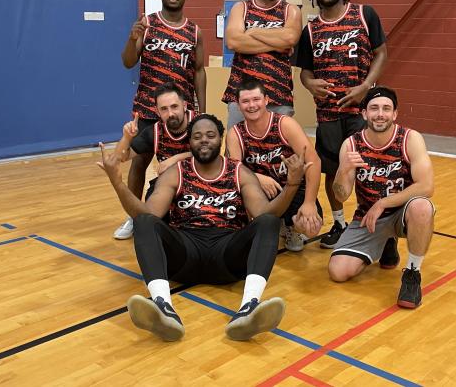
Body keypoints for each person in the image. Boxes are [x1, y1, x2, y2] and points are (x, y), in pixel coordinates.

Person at [98, 114, 318, 341]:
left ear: (220, 139)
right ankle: (163, 307)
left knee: (269, 220)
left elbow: (264, 213)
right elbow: (148, 214)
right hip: (185, 253)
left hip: (228, 255)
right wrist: (117, 184)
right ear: (190, 142)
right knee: (143, 220)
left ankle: (249, 307)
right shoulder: (178, 171)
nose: (204, 140)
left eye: (210, 135)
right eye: (197, 136)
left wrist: (292, 184)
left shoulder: (238, 171)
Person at [297, 0, 390, 255]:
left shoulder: (364, 15)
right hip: (328, 114)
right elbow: (304, 72)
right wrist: (309, 84)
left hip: (361, 113)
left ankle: (384, 231)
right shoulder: (310, 29)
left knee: (372, 171)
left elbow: (381, 53)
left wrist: (365, 87)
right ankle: (338, 223)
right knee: (332, 171)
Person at [114, 0, 206, 240]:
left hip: (181, 113)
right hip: (148, 108)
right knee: (139, 162)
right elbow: (127, 62)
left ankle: (189, 212)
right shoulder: (148, 25)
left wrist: (202, 110)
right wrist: (133, 39)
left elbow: (199, 71)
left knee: (191, 163)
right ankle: (134, 217)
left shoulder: (195, 31)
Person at [329, 86, 435, 309]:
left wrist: (383, 203)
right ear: (364, 113)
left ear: (395, 114)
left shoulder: (410, 139)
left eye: (386, 109)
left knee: (422, 207)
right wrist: (343, 170)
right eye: (374, 108)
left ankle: (412, 273)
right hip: (369, 218)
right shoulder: (351, 145)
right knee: (338, 272)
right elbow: (342, 194)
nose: (380, 114)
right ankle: (385, 241)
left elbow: (426, 186)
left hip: (402, 213)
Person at [225, 79, 323, 252]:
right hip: (261, 190)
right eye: (245, 101)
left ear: (266, 100)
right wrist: (257, 177)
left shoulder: (284, 124)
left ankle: (292, 228)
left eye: (256, 99)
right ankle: (256, 226)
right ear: (238, 106)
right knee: (238, 191)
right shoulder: (235, 133)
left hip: (292, 186)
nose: (251, 105)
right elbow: (234, 171)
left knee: (310, 227)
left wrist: (309, 203)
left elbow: (313, 161)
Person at [222, 0, 302, 130]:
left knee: (278, 155)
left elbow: (290, 38)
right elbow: (234, 42)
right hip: (241, 96)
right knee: (237, 153)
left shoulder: (291, 10)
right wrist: (277, 42)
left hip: (279, 96)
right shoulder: (240, 8)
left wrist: (253, 31)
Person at [115, 82, 196, 206]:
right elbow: (122, 157)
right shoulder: (154, 131)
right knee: (151, 211)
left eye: (174, 106)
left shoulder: (200, 123)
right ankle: (134, 219)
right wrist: (126, 138)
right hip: (168, 183)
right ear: (157, 112)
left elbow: (213, 156)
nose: (170, 114)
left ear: (184, 106)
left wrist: (175, 159)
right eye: (164, 109)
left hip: (198, 184)